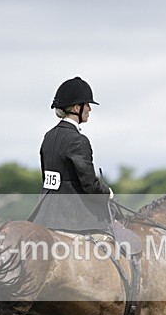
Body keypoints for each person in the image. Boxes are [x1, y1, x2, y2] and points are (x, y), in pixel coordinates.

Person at [28, 76, 114, 234]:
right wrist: (107, 192)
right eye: (87, 104)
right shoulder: (78, 140)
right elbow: (89, 185)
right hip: (73, 219)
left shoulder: (49, 136)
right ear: (76, 108)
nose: (90, 109)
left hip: (43, 216)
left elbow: (48, 178)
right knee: (113, 246)